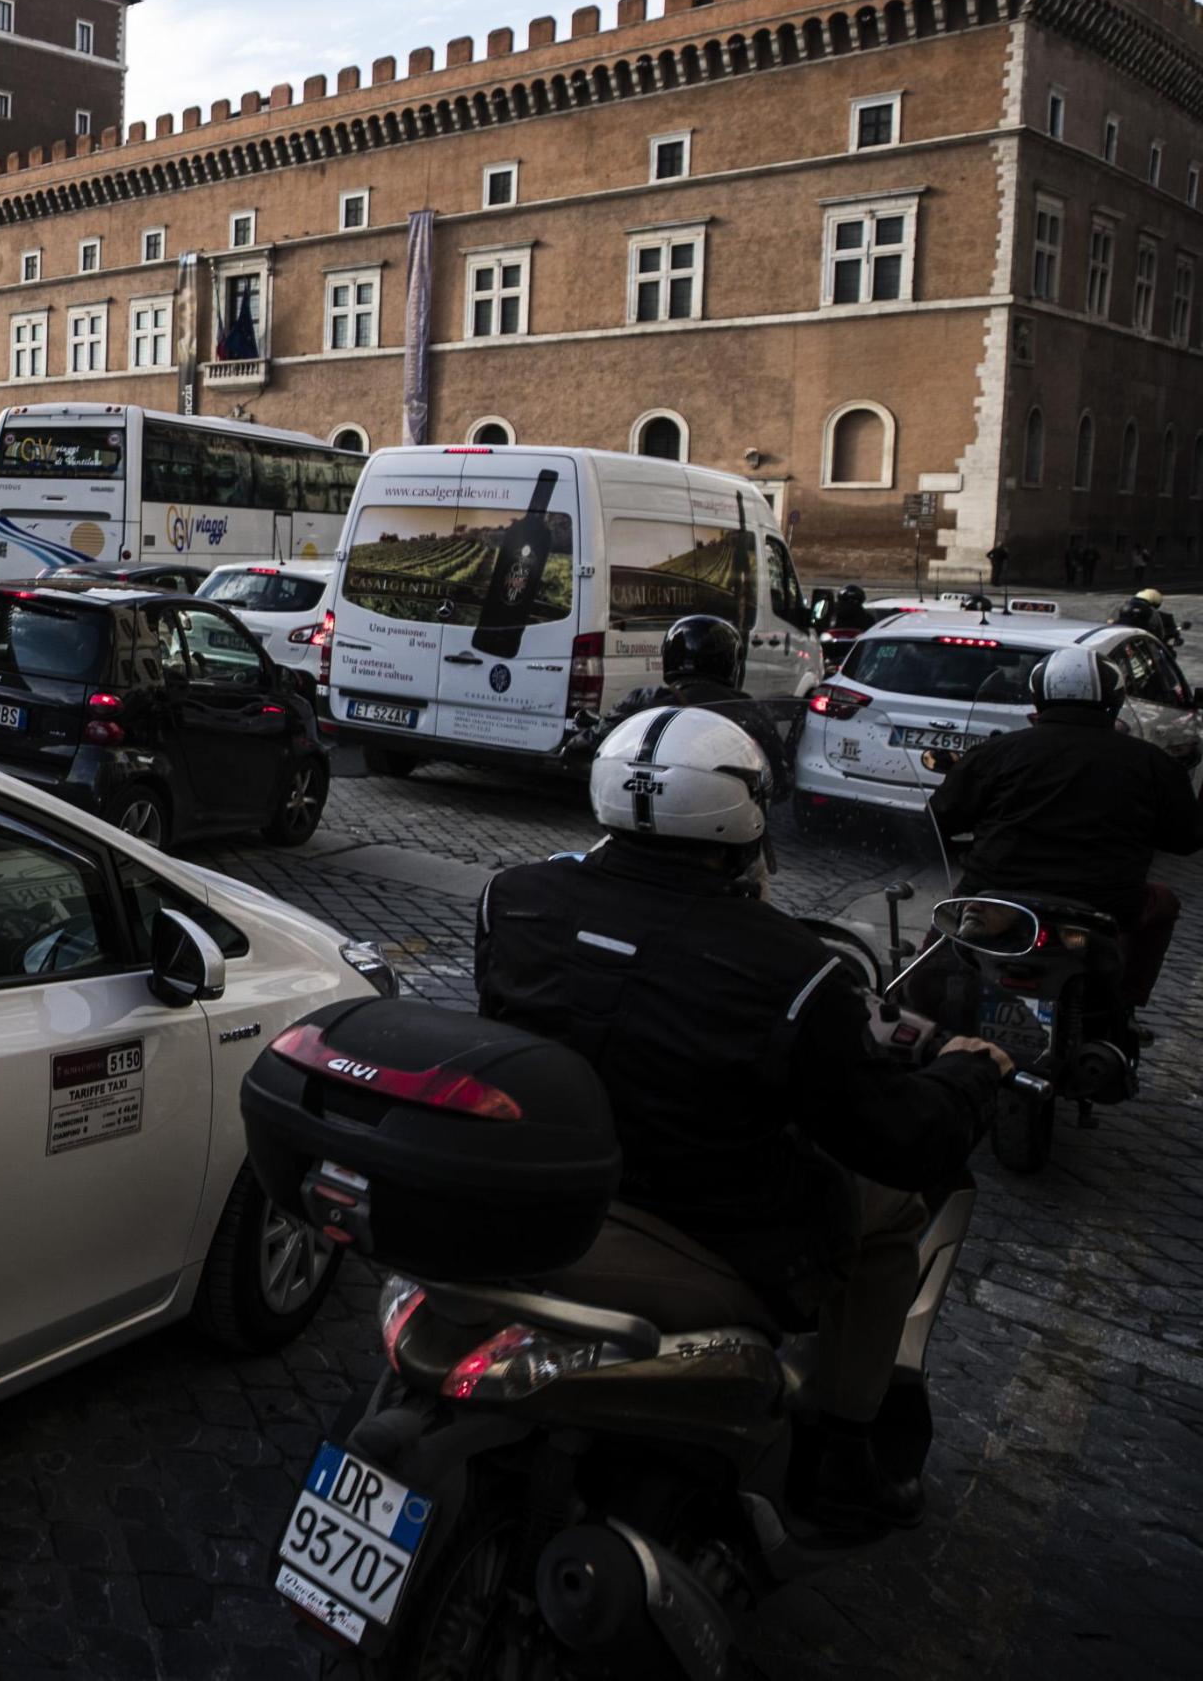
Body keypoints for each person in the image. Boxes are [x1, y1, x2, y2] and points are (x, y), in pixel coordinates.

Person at [478, 708, 1011, 1533]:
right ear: (744, 815)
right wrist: (967, 1077)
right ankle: (844, 1452)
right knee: (894, 1212)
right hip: (708, 1218)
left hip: (554, 1179)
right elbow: (894, 1135)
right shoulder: (792, 967)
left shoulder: (511, 898)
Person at [931, 648, 1203, 1021]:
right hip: (1105, 904)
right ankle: (1126, 1002)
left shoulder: (997, 752)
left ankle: (919, 1000)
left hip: (996, 895)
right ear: (1114, 701)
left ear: (1038, 699)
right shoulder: (1154, 763)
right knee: (1164, 903)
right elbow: (1186, 840)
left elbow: (939, 817)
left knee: (936, 951)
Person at [606, 615, 792, 795]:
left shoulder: (646, 700)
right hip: (726, 815)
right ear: (732, 662)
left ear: (670, 656)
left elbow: (595, 741)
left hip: (642, 809)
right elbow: (779, 781)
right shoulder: (750, 710)